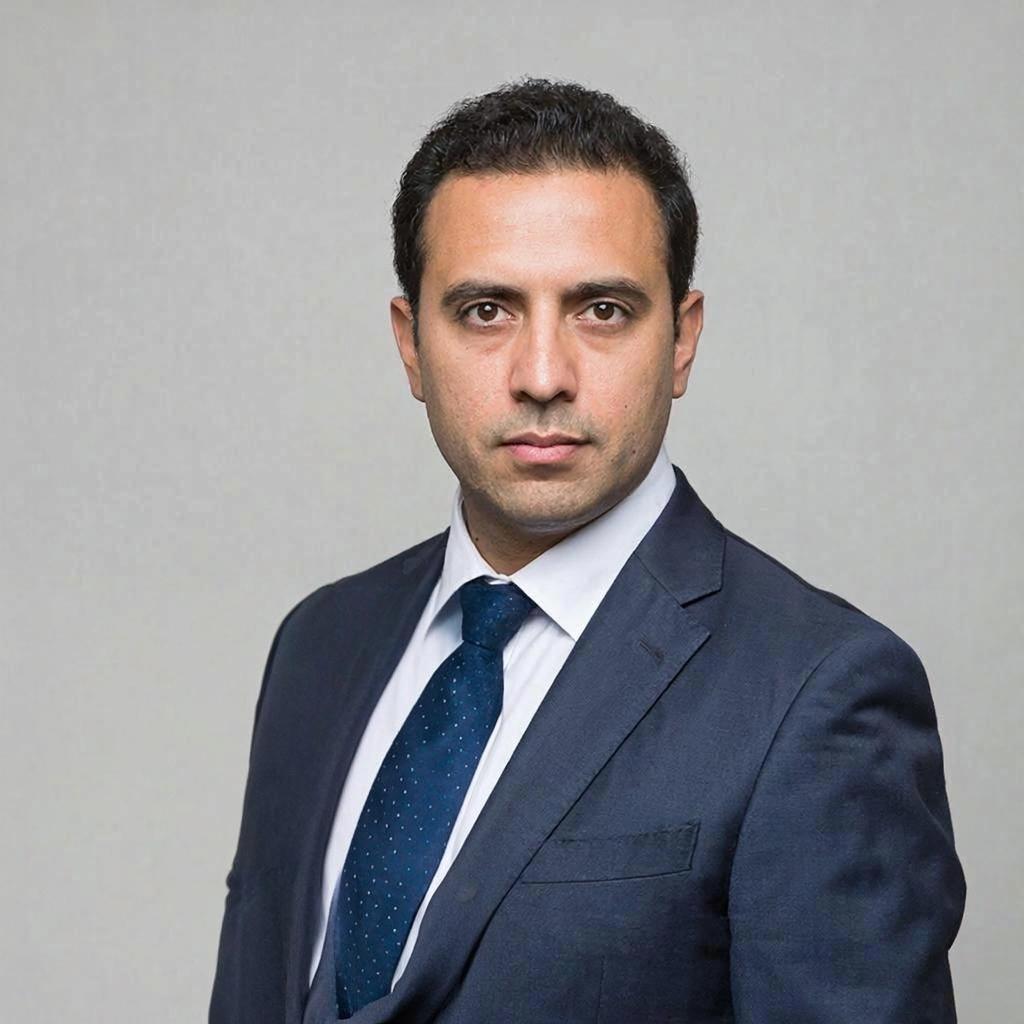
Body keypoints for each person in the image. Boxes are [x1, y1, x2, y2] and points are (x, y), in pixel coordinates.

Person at [209, 78, 965, 1024]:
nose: (542, 376)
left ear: (682, 340)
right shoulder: (320, 642)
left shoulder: (819, 690)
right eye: (486, 310)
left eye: (601, 309)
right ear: (410, 345)